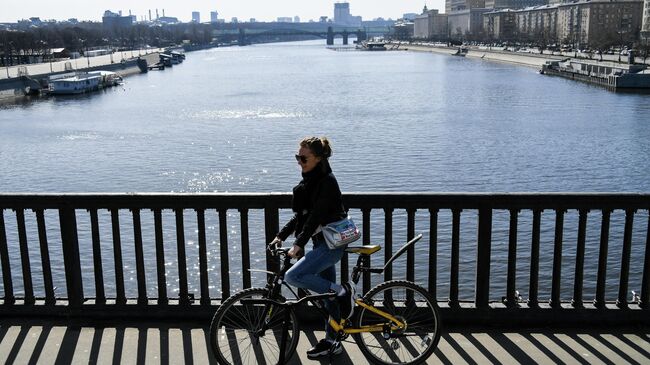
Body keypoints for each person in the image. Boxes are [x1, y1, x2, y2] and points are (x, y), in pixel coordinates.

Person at [268, 136, 355, 359]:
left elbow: (315, 217)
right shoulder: (311, 181)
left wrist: (298, 244)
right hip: (321, 242)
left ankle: (344, 291)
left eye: (303, 157)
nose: (299, 160)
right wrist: (281, 235)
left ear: (317, 158)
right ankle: (332, 340)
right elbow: (303, 216)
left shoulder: (327, 181)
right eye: (297, 157)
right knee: (328, 297)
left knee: (293, 276)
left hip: (331, 243)